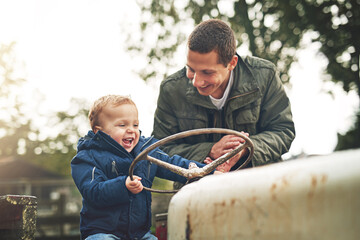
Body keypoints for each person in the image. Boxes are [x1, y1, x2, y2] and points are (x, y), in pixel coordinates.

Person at [71, 95, 228, 240]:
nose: (131, 129)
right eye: (122, 125)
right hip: (102, 232)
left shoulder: (146, 152)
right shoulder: (87, 158)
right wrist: (123, 185)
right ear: (99, 131)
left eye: (135, 124)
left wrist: (210, 172)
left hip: (138, 234)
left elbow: (175, 164)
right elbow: (93, 191)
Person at [152, 19, 295, 172]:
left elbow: (283, 131)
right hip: (197, 187)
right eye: (191, 69)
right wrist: (210, 150)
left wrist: (244, 150)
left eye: (207, 72)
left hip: (259, 183)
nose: (196, 82)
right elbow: (159, 150)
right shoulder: (171, 89)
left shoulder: (265, 75)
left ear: (232, 63)